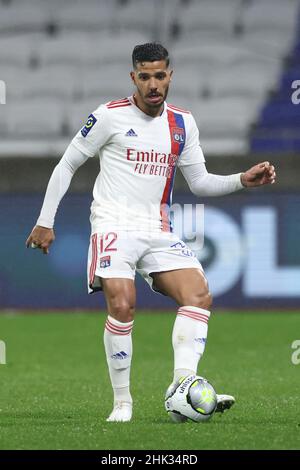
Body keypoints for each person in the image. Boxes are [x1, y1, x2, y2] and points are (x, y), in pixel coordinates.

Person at [26, 43, 276, 422]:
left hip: (158, 228)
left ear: (170, 75)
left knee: (198, 294)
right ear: (134, 78)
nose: (153, 84)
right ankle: (122, 403)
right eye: (145, 76)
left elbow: (201, 182)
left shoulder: (182, 122)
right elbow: (67, 165)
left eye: (160, 75)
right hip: (112, 224)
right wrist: (46, 220)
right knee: (123, 302)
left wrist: (242, 179)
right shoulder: (108, 117)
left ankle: (183, 387)